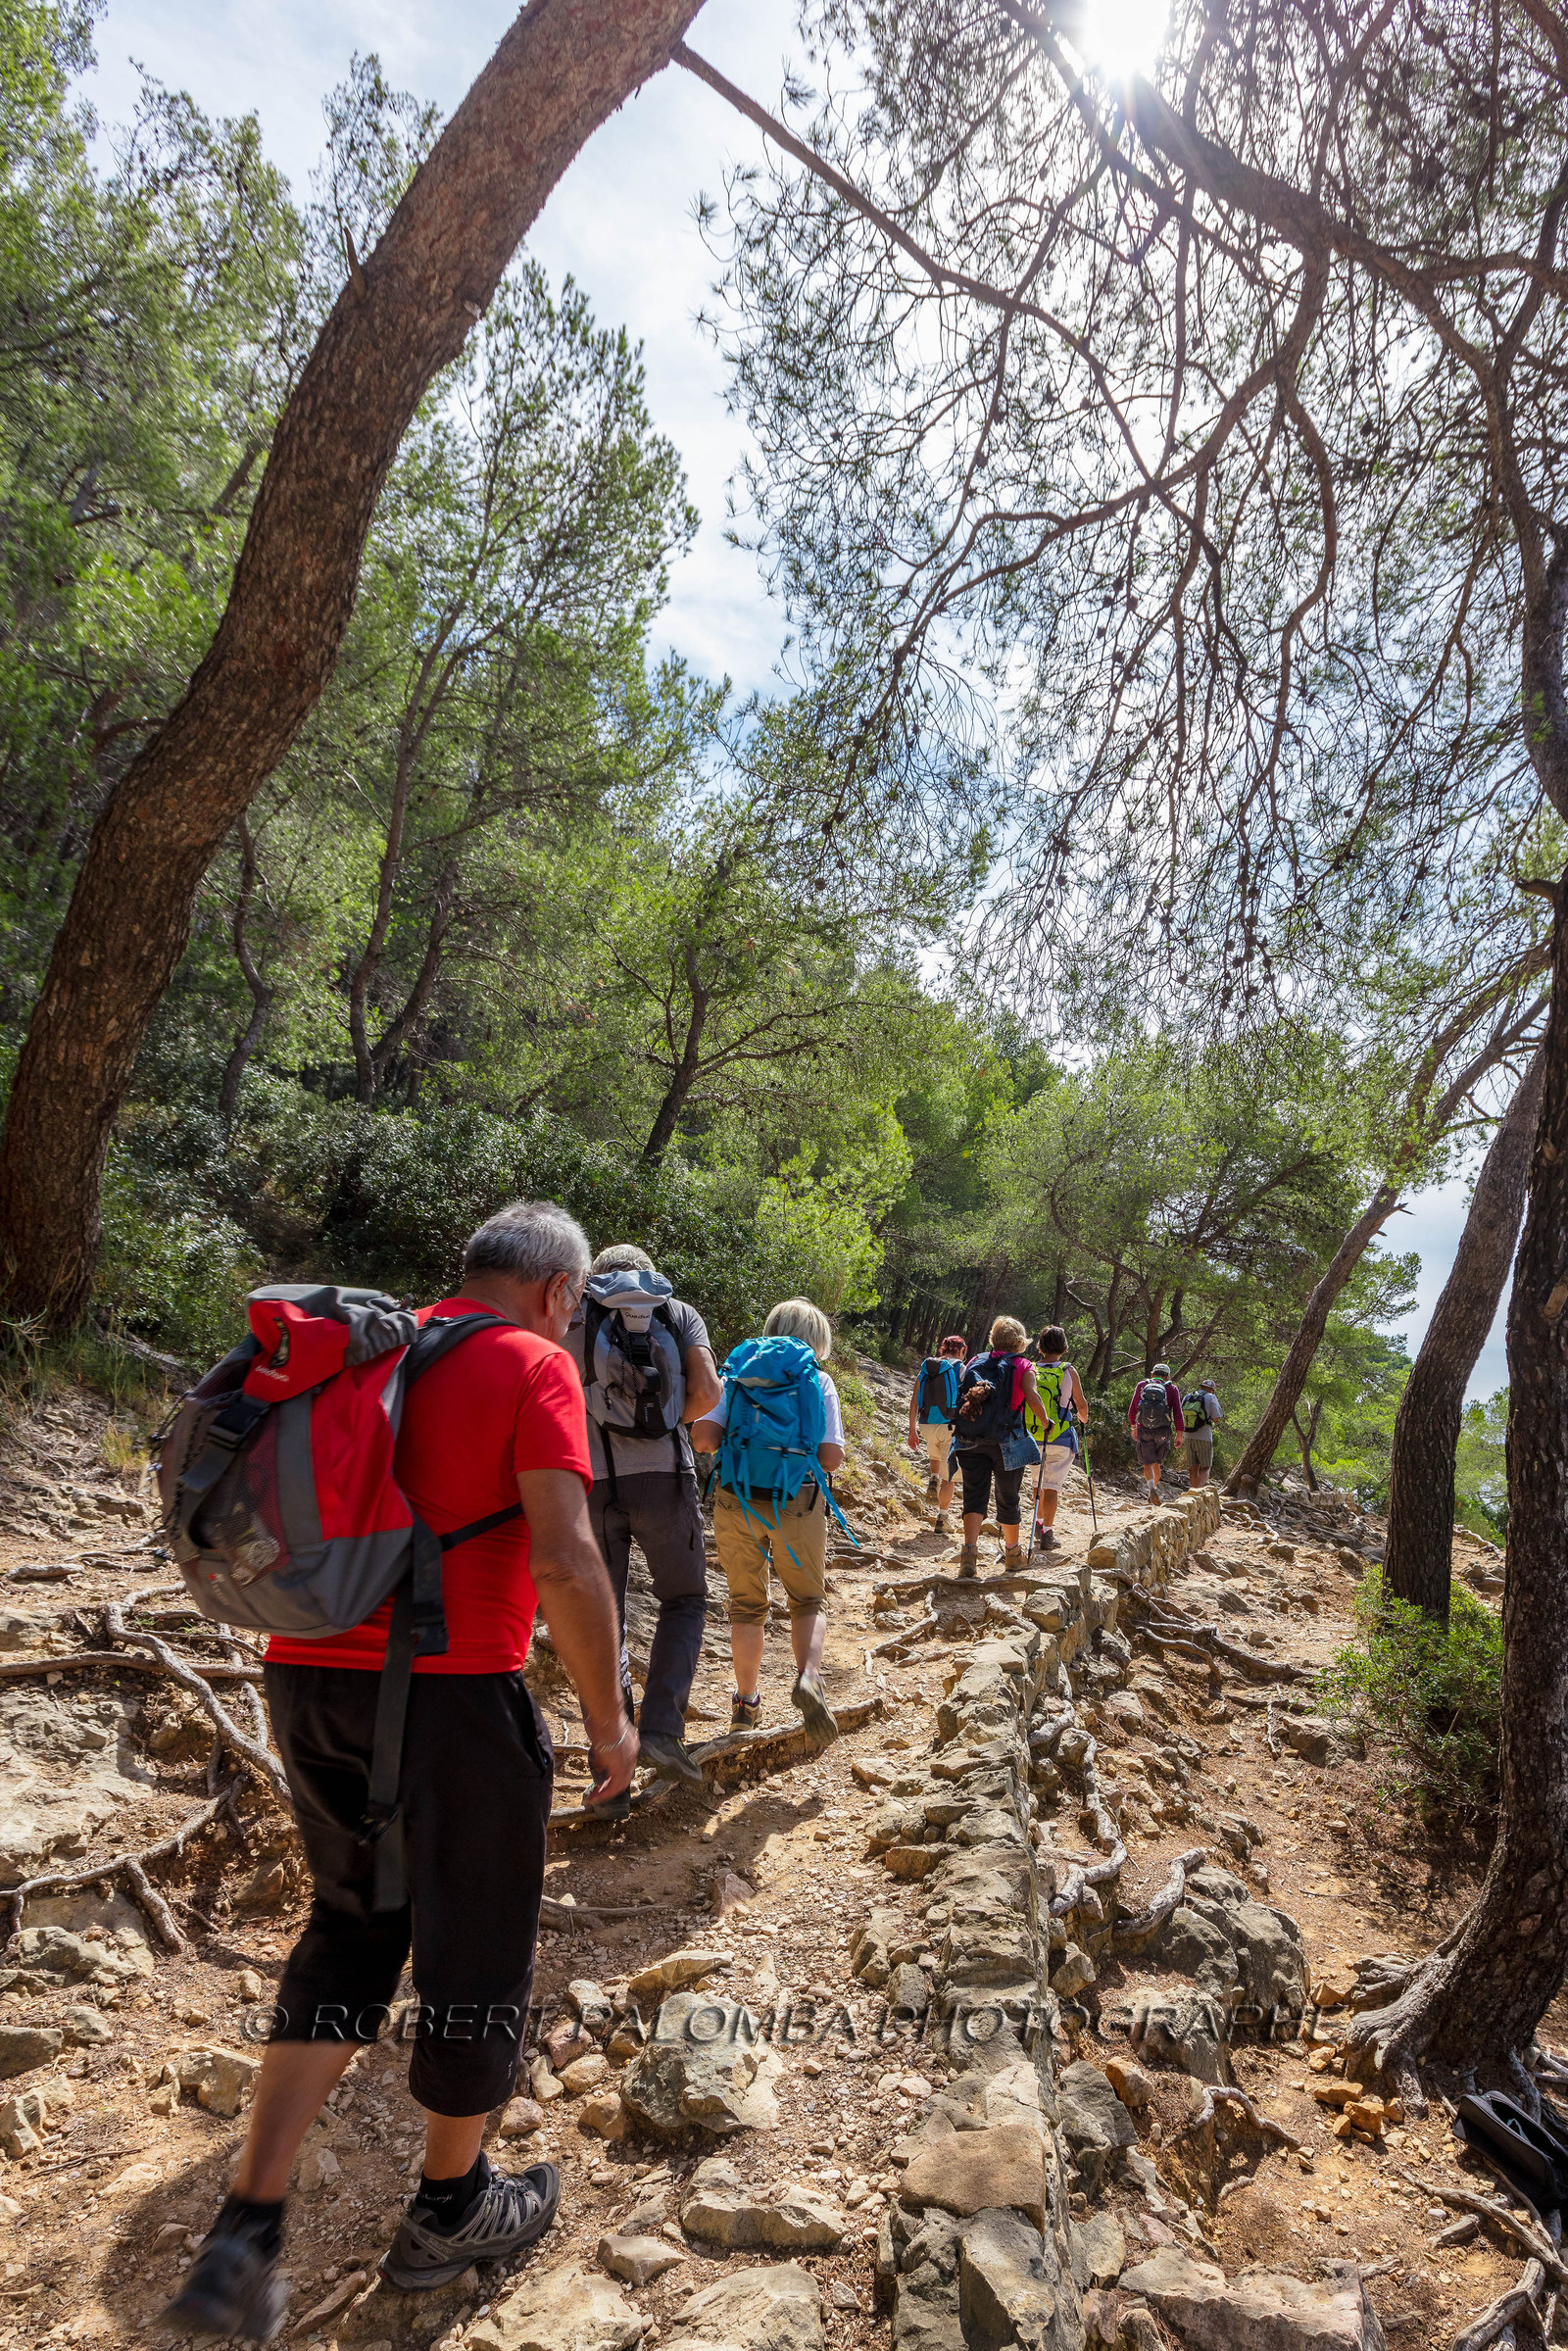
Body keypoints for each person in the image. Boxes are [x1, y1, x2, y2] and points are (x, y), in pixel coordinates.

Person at [163, 1200, 634, 2343]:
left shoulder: (369, 1347)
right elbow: (569, 1559)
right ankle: (450, 2208)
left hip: (308, 1681)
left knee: (351, 1925)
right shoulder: (531, 1364)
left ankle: (247, 2225)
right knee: (477, 1947)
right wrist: (611, 1723)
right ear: (559, 1292)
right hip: (454, 1695)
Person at [567, 1243, 723, 1793]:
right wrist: (659, 1425)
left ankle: (608, 1773)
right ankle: (661, 1728)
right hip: (665, 1482)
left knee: (601, 1624)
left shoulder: (573, 1313)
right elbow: (707, 1392)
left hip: (589, 1487)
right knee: (684, 1600)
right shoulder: (675, 1314)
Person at [692, 1298, 845, 1747]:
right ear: (819, 1340)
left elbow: (702, 1438)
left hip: (736, 1498)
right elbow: (831, 1456)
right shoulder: (818, 1379)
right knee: (807, 1599)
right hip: (797, 1501)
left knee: (746, 1603)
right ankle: (809, 1679)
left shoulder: (737, 1375)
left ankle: (744, 1703)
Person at [953, 1315, 1052, 1577]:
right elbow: (1032, 1396)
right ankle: (1013, 1553)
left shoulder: (975, 1360)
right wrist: (1045, 1421)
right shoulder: (1023, 1365)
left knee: (974, 1495)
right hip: (1008, 1440)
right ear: (1020, 1341)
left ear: (993, 1339)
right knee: (1008, 1498)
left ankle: (969, 1554)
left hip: (971, 1437)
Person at [1027, 1325, 1088, 1552]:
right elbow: (1080, 1405)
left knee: (1037, 1483)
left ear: (1040, 1346)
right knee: (1051, 1487)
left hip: (1034, 1435)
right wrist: (1083, 1418)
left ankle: (1038, 1524)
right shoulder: (1068, 1370)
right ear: (1063, 1346)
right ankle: (1047, 1534)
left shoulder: (1030, 1369)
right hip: (1060, 1436)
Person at [906, 1333, 966, 1533]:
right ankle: (942, 1518)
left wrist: (912, 1431)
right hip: (950, 1425)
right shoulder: (960, 1368)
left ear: (943, 1348)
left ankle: (933, 1477)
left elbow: (915, 1401)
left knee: (935, 1457)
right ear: (961, 1350)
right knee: (949, 1477)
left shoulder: (927, 1368)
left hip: (926, 1425)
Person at [1129, 1360, 1185, 1494]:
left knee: (1147, 1463)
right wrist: (1179, 1434)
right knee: (1157, 1463)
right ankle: (1152, 1493)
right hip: (1163, 1431)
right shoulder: (1172, 1389)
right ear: (1167, 1376)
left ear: (1152, 1374)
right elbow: (1178, 1412)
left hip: (1144, 1428)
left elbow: (1132, 1409)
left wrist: (1133, 1427)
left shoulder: (1142, 1385)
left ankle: (1151, 1487)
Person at [1180, 1375, 1223, 1488]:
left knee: (1193, 1466)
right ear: (1211, 1389)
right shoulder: (1211, 1397)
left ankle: (1193, 1490)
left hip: (1188, 1435)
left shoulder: (1188, 1396)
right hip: (1204, 1436)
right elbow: (1216, 1419)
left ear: (1201, 1387)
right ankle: (1198, 1492)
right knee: (1206, 1466)